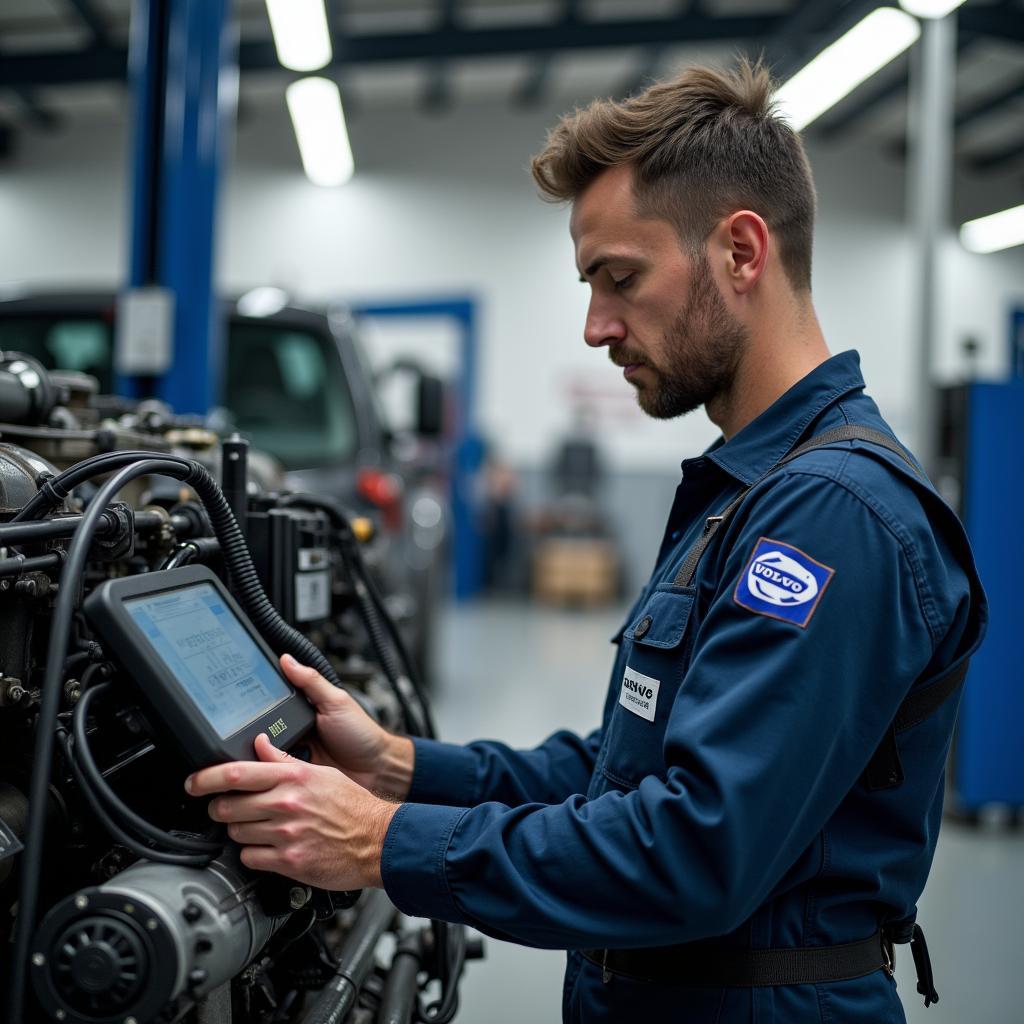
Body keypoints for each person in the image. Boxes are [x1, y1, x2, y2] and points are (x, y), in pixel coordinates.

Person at [187, 60, 986, 1023]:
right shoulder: (749, 491)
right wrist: (400, 766)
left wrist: (380, 843)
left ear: (741, 252)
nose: (596, 326)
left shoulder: (834, 517)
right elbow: (621, 768)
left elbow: (695, 851)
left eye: (621, 279)